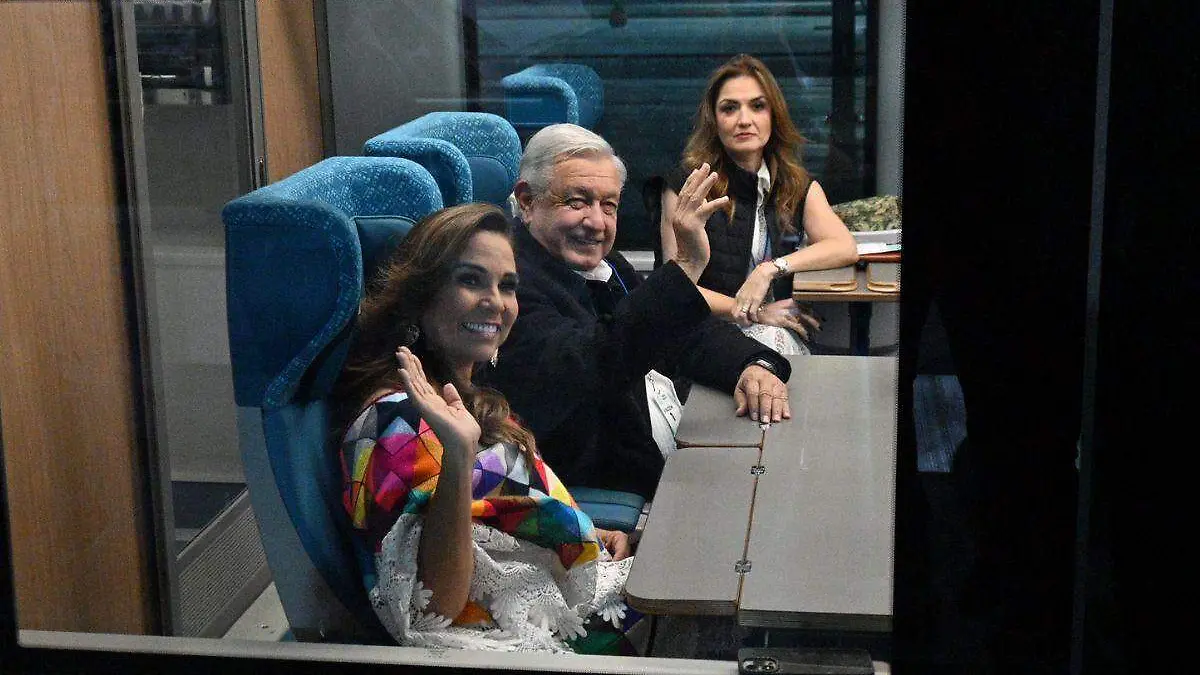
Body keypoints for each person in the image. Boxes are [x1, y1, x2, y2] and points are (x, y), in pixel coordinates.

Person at [331, 203, 642, 654]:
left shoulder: (464, 394)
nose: (496, 301)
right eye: (470, 280)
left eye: (507, 285)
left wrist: (583, 533)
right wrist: (460, 455)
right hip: (506, 645)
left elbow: (498, 515)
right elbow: (434, 609)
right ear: (420, 297)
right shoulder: (396, 423)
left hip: (555, 595)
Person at [481, 123, 793, 501]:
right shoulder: (506, 287)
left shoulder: (605, 264)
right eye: (577, 202)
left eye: (608, 206)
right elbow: (597, 360)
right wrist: (685, 266)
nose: (596, 223)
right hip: (604, 496)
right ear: (528, 201)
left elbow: (682, 332)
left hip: (661, 456)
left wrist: (752, 364)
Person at [658, 54, 858, 355]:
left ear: (773, 115)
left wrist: (770, 269)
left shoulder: (792, 183)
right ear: (714, 120)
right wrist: (755, 312)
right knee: (773, 347)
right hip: (699, 329)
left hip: (767, 323)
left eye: (757, 106)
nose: (744, 120)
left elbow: (844, 246)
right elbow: (673, 288)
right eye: (729, 108)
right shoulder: (688, 184)